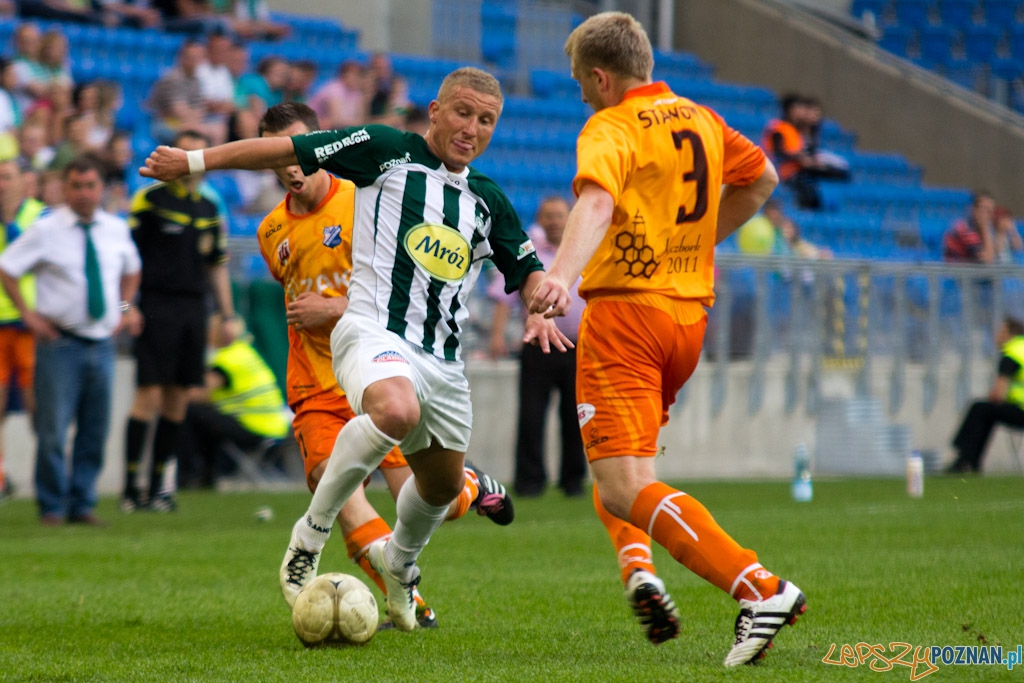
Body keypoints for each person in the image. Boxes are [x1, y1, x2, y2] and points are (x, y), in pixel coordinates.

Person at [141, 67, 572, 631]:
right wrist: (193, 162)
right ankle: (310, 534)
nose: (472, 128)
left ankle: (402, 564)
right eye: (463, 113)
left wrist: (541, 299)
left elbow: (527, 269)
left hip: (441, 363)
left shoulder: (488, 200)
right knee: (395, 410)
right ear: (436, 111)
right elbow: (285, 149)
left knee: (440, 492)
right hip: (370, 335)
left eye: (486, 120)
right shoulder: (384, 152)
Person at [527, 13, 805, 667]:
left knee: (621, 482)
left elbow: (596, 203)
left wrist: (560, 276)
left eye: (581, 81)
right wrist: (697, 244)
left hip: (626, 315)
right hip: (686, 319)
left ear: (601, 77)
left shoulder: (612, 124)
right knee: (626, 470)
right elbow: (762, 178)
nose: (581, 94)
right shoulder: (701, 119)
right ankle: (639, 568)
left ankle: (760, 588)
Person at [253, 102, 517, 627]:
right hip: (316, 386)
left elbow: (401, 289)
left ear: (317, 145)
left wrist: (331, 309)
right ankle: (402, 597)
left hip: (387, 373)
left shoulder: (367, 195)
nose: (289, 167)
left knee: (435, 498)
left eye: (296, 151)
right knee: (340, 492)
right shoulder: (270, 230)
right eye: (277, 157)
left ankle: (469, 485)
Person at [0, 153, 142, 526]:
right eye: (76, 186)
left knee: (94, 429)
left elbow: (131, 270)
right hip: (59, 342)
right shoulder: (46, 229)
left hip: (102, 342)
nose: (83, 193)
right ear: (64, 189)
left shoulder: (115, 228)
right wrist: (27, 314)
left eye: (90, 185)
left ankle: (82, 502)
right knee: (52, 429)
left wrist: (124, 308)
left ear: (102, 189)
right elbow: (8, 267)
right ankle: (51, 505)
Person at [121, 130, 237, 513]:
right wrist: (127, 305)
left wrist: (227, 314)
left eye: (195, 152)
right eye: (183, 151)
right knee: (149, 394)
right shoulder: (150, 199)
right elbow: (127, 258)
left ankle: (159, 487)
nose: (189, 159)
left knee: (178, 398)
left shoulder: (209, 207)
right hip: (156, 305)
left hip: (193, 310)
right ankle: (130, 488)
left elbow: (216, 265)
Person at [488, 195, 586, 498]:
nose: (554, 221)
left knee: (576, 417)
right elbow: (503, 298)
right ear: (540, 220)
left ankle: (573, 481)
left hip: (579, 347)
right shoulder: (528, 253)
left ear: (569, 219)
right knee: (531, 416)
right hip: (537, 345)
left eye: (559, 215)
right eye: (549, 216)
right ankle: (529, 482)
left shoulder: (584, 251)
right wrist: (497, 335)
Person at [179, 316, 290, 489]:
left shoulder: (226, 360)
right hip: (275, 426)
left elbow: (198, 395)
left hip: (254, 427)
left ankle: (190, 475)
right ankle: (205, 476)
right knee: (207, 419)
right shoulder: (244, 351)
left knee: (191, 413)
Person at [0, 159, 47, 500]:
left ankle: (49, 478)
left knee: (39, 406)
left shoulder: (39, 216)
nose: (2, 184)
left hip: (31, 322)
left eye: (7, 177)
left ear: (23, 182)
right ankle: (1, 477)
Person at [947, 317, 1024, 473]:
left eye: (1001, 331)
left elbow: (998, 395)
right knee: (988, 412)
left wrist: (993, 395)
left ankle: (966, 458)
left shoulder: (1012, 353)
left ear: (1010, 334)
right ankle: (970, 460)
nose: (996, 335)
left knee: (980, 409)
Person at [943, 191, 995, 264]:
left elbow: (999, 254)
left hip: (970, 268)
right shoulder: (965, 228)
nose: (989, 214)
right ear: (974, 210)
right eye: (985, 209)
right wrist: (985, 229)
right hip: (956, 269)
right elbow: (987, 260)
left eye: (991, 210)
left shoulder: (981, 228)